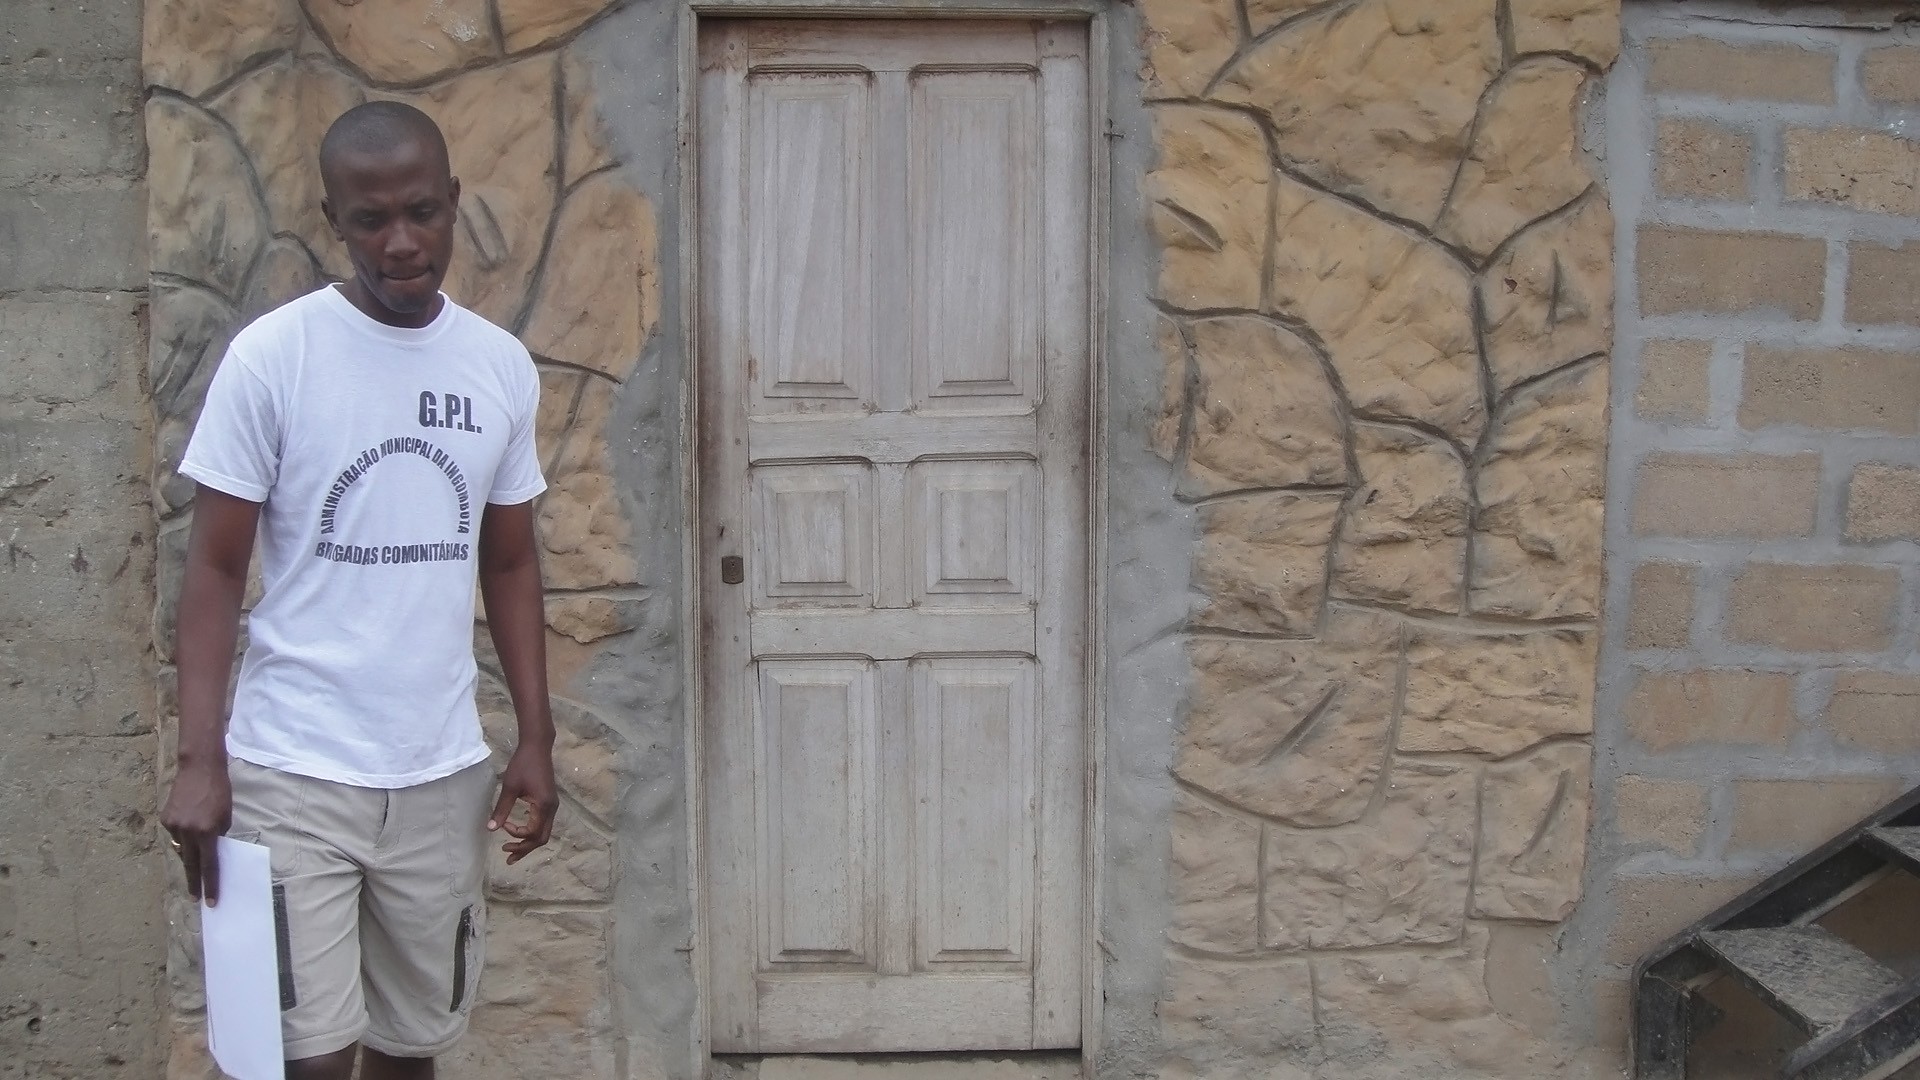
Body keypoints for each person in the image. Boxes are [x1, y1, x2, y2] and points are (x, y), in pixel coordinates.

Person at [158, 100, 559, 1080]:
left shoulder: (498, 368)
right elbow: (214, 568)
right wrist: (199, 759)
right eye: (371, 220)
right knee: (297, 1059)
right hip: (292, 769)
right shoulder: (276, 358)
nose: (401, 242)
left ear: (453, 201)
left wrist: (536, 739)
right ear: (333, 218)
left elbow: (510, 561)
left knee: (411, 1053)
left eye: (421, 212)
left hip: (440, 774)